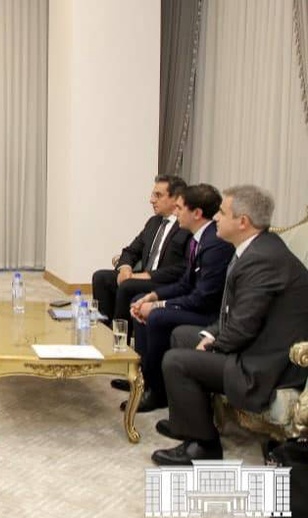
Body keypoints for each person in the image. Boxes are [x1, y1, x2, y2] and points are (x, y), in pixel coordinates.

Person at [151, 185, 308, 465]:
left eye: (222, 213)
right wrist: (209, 334)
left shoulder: (262, 259)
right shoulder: (255, 249)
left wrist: (213, 345)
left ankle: (204, 447)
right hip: (254, 345)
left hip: (265, 364)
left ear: (242, 222)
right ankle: (190, 422)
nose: (216, 218)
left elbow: (243, 326)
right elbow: (231, 315)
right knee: (182, 336)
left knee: (176, 361)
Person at [116, 184, 234, 411]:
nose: (176, 213)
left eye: (179, 208)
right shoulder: (198, 238)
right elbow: (185, 283)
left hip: (209, 313)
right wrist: (152, 296)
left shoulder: (214, 245)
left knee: (157, 316)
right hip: (196, 302)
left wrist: (159, 305)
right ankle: (143, 375)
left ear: (196, 213)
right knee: (140, 300)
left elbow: (203, 298)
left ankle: (157, 392)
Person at [91, 175, 190, 334]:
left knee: (128, 285)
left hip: (164, 282)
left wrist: (139, 276)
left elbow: (182, 268)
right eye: (153, 195)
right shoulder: (153, 222)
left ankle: (119, 336)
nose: (151, 200)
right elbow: (131, 251)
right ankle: (103, 331)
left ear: (176, 199)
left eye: (158, 195)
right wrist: (125, 268)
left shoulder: (185, 226)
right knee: (101, 277)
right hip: (141, 277)